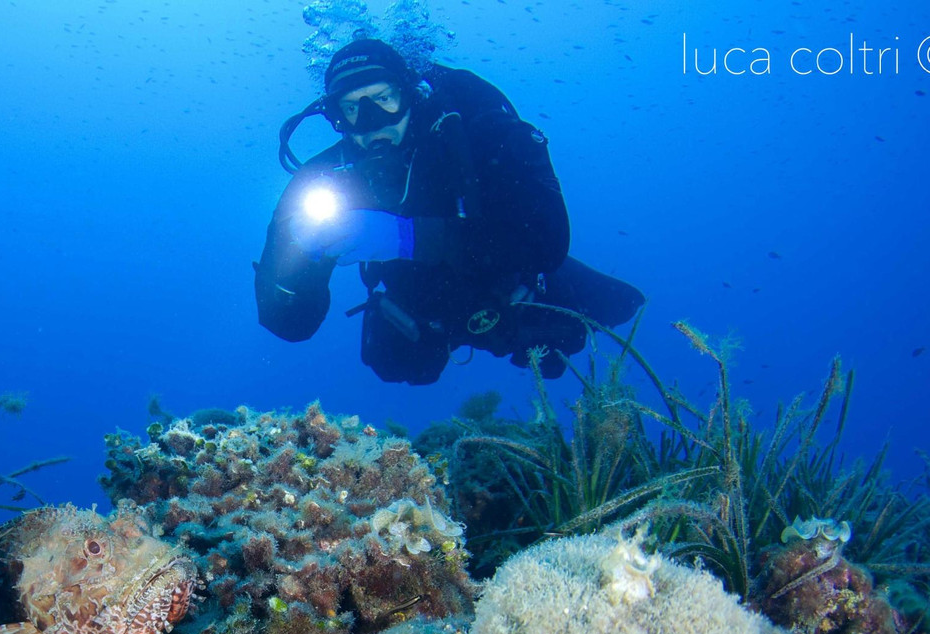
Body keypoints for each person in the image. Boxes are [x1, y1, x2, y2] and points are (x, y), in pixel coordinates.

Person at [254, 38, 644, 384]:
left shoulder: (474, 138)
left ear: (410, 95)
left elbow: (547, 241)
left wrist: (407, 237)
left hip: (513, 288)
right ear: (337, 118)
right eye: (353, 108)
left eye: (385, 98)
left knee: (601, 316)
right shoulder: (322, 182)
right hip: (424, 311)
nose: (372, 122)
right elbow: (291, 326)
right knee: (395, 364)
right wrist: (295, 264)